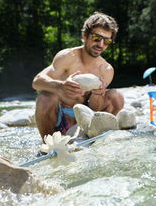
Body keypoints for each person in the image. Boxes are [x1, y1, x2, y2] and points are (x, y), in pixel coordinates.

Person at [32, 12, 124, 141]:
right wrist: (60, 87)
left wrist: (97, 94)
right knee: (45, 97)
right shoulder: (68, 57)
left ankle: (94, 138)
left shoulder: (106, 69)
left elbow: (95, 109)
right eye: (97, 38)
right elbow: (37, 82)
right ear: (85, 36)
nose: (101, 45)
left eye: (107, 41)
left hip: (86, 119)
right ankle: (49, 146)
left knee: (116, 97)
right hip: (59, 117)